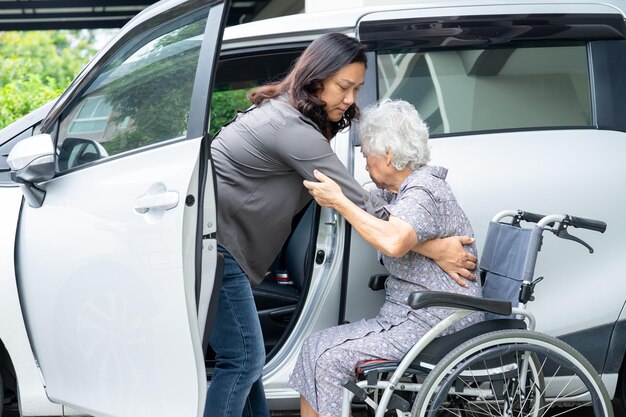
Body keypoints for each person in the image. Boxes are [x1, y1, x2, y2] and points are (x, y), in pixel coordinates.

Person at [206, 34, 477, 417]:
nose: (351, 99)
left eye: (357, 88)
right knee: (244, 360)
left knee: (245, 362)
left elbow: (365, 206)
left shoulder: (288, 117)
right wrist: (435, 248)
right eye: (343, 87)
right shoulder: (291, 128)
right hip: (219, 248)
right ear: (315, 79)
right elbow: (358, 199)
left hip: (223, 248)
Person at [291, 99, 484, 417]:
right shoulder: (396, 195)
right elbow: (379, 215)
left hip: (435, 323)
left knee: (329, 359)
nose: (365, 164)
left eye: (367, 155)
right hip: (407, 318)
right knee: (314, 347)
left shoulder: (423, 193)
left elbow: (394, 241)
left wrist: (339, 202)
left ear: (389, 154)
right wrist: (434, 249)